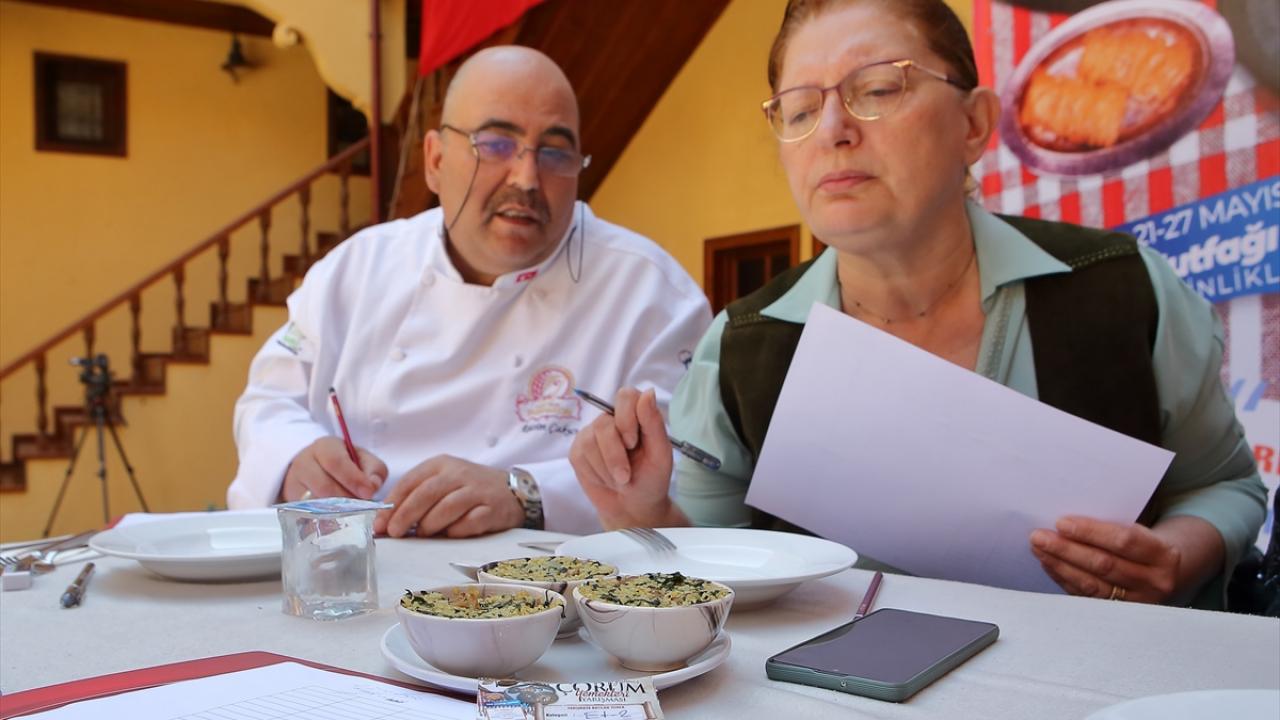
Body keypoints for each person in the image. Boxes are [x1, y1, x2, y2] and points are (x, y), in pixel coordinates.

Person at [569, 0, 1266, 609]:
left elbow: (1224, 487)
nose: (833, 130)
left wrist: (1176, 558)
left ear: (974, 123)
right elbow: (707, 574)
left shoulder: (1120, 290)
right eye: (801, 110)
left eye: (878, 89)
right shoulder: (744, 347)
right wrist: (645, 516)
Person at [228, 46, 711, 538]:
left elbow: (683, 475)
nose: (526, 178)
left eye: (554, 152)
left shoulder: (651, 293)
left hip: (552, 578)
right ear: (435, 161)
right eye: (495, 144)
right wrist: (296, 458)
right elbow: (268, 401)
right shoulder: (355, 270)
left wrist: (527, 494)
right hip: (360, 562)